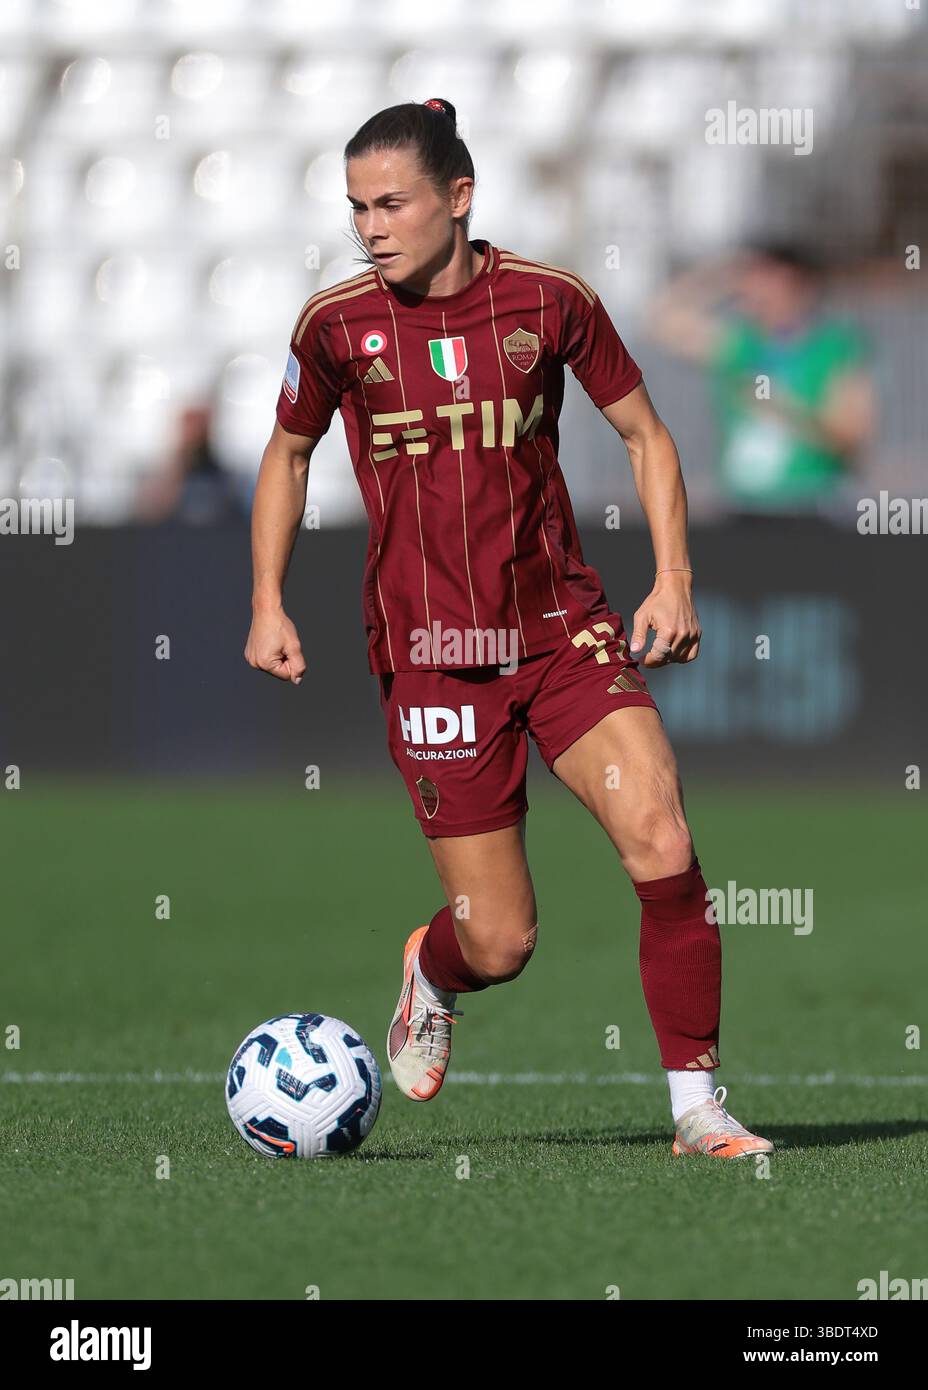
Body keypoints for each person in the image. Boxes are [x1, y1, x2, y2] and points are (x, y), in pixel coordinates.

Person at [245, 98, 773, 1159]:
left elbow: (646, 434)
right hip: (433, 658)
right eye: (357, 208)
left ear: (459, 196)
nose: (372, 226)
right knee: (501, 940)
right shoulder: (335, 326)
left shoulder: (549, 300)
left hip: (559, 630)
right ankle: (435, 972)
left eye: (392, 202)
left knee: (663, 843)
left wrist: (671, 578)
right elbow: (288, 454)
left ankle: (695, 1108)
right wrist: (267, 599)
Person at [647, 244, 875, 516]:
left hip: (812, 504)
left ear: (801, 286)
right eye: (753, 278)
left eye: (770, 280)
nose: (758, 290)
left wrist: (783, 407)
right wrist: (722, 275)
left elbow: (853, 438)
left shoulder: (836, 348)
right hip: (742, 508)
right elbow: (660, 320)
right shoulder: (740, 345)